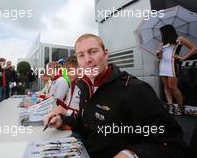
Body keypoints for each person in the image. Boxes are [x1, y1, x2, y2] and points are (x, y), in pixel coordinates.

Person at [45, 34, 190, 158]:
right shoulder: (84, 86)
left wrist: (132, 154)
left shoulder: (135, 90)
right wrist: (62, 120)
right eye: (81, 55)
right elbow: (87, 125)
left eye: (93, 52)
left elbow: (175, 147)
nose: (87, 59)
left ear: (106, 54)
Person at [157, 25, 197, 115]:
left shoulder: (180, 39)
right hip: (162, 65)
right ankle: (170, 105)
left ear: (167, 32)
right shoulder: (161, 43)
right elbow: (159, 57)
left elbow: (194, 49)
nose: (161, 35)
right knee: (166, 86)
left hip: (173, 65)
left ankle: (180, 106)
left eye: (162, 33)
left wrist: (183, 57)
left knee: (172, 86)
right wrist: (159, 51)